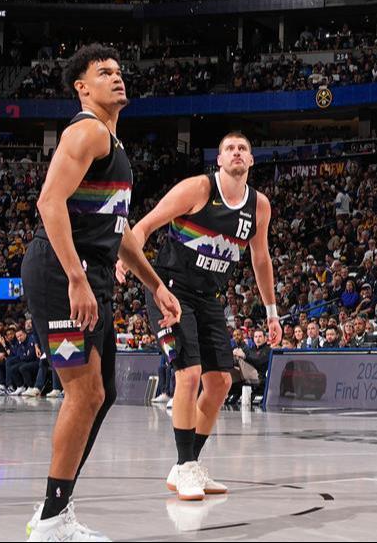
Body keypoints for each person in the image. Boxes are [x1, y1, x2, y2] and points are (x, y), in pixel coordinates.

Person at [24, 44, 181, 542]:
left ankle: (56, 507)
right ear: (82, 87)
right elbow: (49, 202)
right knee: (85, 391)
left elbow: (122, 230)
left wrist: (155, 285)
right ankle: (51, 519)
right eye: (104, 73)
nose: (117, 78)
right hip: (61, 271)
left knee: (103, 392)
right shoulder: (87, 130)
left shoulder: (112, 144)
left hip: (89, 272)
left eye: (119, 71)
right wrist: (73, 277)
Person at [123, 130, 281, 500]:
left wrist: (272, 313)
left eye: (244, 148)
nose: (237, 152)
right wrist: (125, 261)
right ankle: (186, 466)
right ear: (220, 160)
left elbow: (260, 259)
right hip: (171, 290)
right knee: (189, 375)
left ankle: (186, 465)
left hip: (209, 297)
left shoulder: (259, 206)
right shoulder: (198, 188)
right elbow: (145, 225)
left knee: (221, 384)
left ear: (252, 160)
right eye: (230, 148)